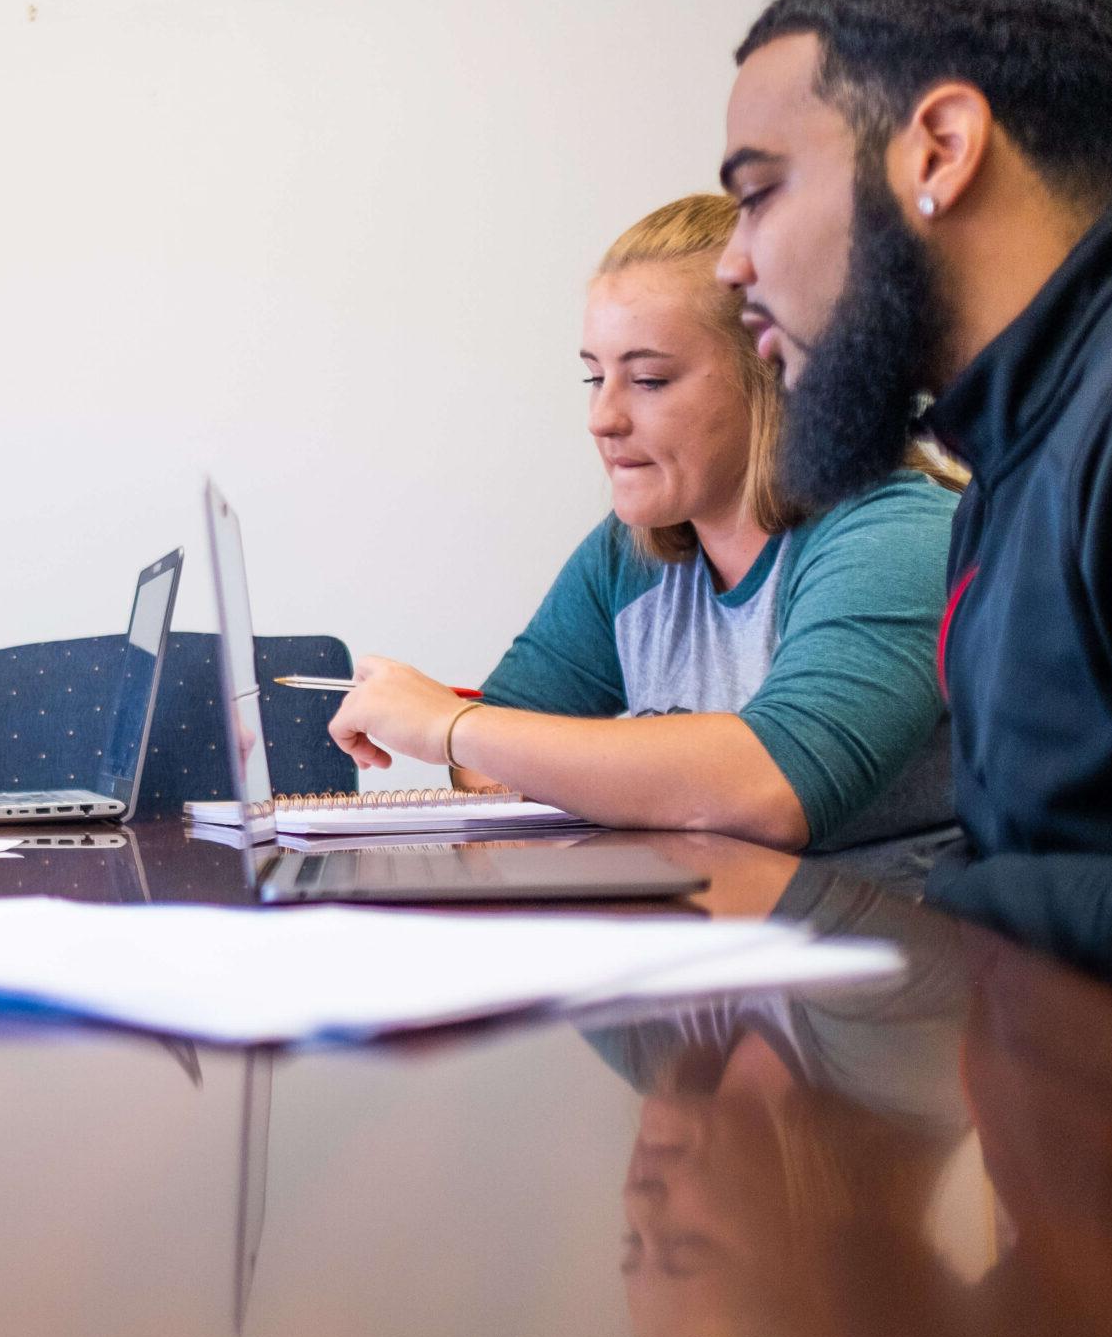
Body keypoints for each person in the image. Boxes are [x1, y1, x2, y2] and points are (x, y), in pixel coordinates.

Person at [328, 194, 959, 860]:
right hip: (713, 936)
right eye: (594, 377)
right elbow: (490, 767)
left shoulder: (898, 535)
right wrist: (469, 734)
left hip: (890, 947)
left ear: (776, 376)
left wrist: (455, 723)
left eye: (649, 379)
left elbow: (774, 786)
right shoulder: (628, 552)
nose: (603, 417)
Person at [714, 0, 1112, 860]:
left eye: (760, 195)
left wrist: (958, 915)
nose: (731, 262)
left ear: (941, 151)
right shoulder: (1007, 462)